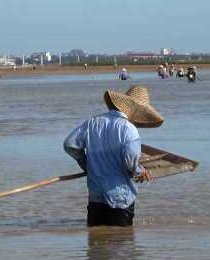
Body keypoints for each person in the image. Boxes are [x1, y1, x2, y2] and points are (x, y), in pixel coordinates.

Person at [63, 85, 163, 227]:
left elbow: (69, 144)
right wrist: (140, 171)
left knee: (96, 244)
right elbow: (130, 161)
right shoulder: (129, 129)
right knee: (122, 241)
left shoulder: (92, 123)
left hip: (95, 197)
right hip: (120, 198)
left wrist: (85, 164)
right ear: (135, 111)